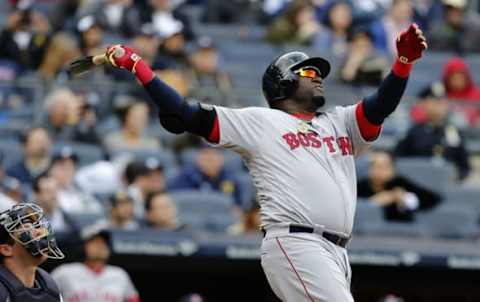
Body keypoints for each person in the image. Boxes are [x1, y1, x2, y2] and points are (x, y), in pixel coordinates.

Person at [99, 22, 427, 301]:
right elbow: (186, 114)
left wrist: (402, 62)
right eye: (309, 71)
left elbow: (380, 105)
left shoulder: (339, 122)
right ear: (284, 82)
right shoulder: (260, 122)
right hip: (298, 241)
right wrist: (139, 67)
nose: (318, 77)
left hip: (337, 251)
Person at [395, 82, 471, 180]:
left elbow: (464, 166)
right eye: (435, 102)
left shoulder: (454, 133)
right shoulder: (413, 132)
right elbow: (398, 160)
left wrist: (456, 177)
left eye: (442, 101)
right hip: (417, 183)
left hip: (446, 185)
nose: (439, 106)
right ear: (424, 105)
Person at [51, 224, 140, 302]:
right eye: (95, 242)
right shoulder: (64, 272)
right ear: (84, 246)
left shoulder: (120, 274)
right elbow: (45, 295)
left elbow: (133, 299)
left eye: (104, 243)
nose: (100, 246)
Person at [0, 203, 64, 301]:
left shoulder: (50, 286)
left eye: (37, 226)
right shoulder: (2, 292)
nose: (40, 232)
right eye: (27, 228)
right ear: (6, 249)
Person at [357, 151, 442, 222]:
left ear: (392, 169)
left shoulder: (400, 183)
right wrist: (373, 202)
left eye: (384, 167)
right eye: (375, 166)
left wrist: (404, 198)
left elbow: (432, 198)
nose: (379, 171)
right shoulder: (360, 186)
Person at [171, 147, 244, 207]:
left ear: (221, 160)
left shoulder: (229, 178)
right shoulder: (186, 176)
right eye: (206, 159)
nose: (209, 163)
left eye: (212, 158)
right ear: (198, 161)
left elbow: (237, 203)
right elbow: (177, 199)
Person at [48, 146, 103, 215]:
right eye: (63, 167)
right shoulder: (45, 191)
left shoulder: (81, 189)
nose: (67, 171)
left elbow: (96, 210)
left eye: (71, 167)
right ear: (51, 169)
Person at [441, 57, 480, 126]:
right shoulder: (441, 93)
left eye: (461, 77)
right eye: (454, 78)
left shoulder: (477, 94)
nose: (458, 81)